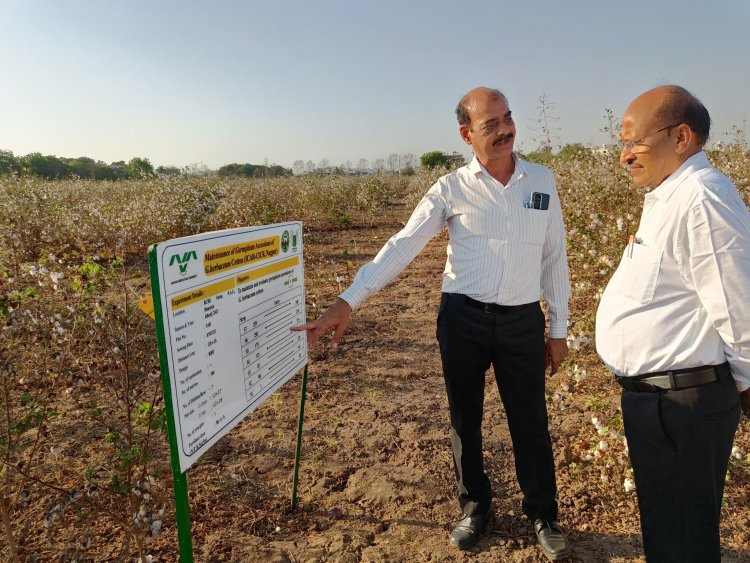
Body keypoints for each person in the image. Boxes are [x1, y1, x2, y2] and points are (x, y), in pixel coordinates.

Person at [293, 87, 571, 560]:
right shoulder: (450, 188)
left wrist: (558, 327)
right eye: (491, 124)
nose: (505, 130)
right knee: (466, 418)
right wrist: (348, 301)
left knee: (530, 420)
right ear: (467, 134)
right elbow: (404, 244)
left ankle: (543, 513)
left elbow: (554, 258)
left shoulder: (541, 181)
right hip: (463, 318)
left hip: (523, 322)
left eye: (507, 118)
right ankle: (475, 508)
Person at [596, 85, 750, 562]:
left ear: (681, 137)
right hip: (661, 403)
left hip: (684, 406)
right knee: (669, 534)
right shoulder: (670, 196)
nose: (624, 157)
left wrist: (741, 390)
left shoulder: (702, 198)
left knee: (683, 541)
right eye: (621, 144)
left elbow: (740, 309)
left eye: (634, 143)